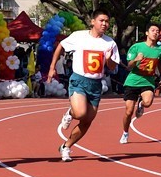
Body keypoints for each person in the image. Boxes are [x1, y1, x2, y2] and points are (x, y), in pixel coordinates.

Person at [47, 9, 120, 162]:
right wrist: (52, 67)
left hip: (96, 84)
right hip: (79, 80)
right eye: (101, 20)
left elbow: (113, 67)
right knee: (80, 113)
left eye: (107, 21)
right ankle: (70, 112)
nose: (105, 24)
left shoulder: (110, 43)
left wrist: (108, 59)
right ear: (93, 21)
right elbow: (61, 46)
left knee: (87, 120)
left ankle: (66, 146)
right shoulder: (79, 36)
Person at [120, 22, 161, 143]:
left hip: (148, 80)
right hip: (133, 81)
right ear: (147, 33)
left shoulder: (160, 50)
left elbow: (160, 62)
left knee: (148, 102)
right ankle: (125, 132)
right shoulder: (137, 47)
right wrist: (136, 59)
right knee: (129, 111)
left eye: (157, 31)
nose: (155, 33)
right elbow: (129, 66)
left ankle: (141, 104)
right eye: (153, 30)